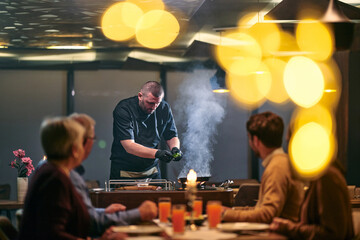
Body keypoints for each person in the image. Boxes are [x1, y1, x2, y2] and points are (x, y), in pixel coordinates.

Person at [18, 117, 126, 240]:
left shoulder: (50, 170)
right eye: (81, 142)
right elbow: (54, 235)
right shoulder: (55, 178)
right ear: (74, 149)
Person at [68, 113, 158, 237]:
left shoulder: (67, 171)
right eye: (92, 138)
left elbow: (78, 213)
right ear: (83, 141)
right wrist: (139, 213)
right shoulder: (64, 175)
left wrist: (104, 211)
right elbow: (89, 223)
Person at [222, 111, 304, 223]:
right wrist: (229, 211)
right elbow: (261, 209)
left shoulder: (277, 168)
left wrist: (226, 214)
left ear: (255, 140)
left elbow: (267, 214)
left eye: (249, 138)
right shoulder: (281, 162)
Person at [110, 81, 183, 179]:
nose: (154, 107)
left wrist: (175, 148)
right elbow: (129, 146)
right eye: (150, 103)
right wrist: (157, 153)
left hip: (152, 170)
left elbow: (171, 136)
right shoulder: (124, 109)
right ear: (140, 96)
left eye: (157, 103)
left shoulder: (164, 107)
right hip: (125, 170)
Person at [269, 163, 354, 238]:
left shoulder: (326, 176)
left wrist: (289, 228)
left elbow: (332, 234)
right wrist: (288, 226)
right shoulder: (321, 175)